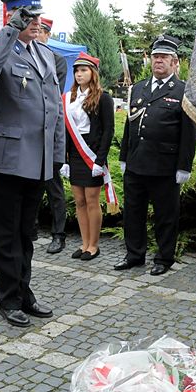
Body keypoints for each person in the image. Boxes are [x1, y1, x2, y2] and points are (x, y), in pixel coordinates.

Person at [0, 0, 64, 328]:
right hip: (5, 161)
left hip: (37, 161)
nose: (35, 22)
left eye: (37, 16)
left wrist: (56, 155)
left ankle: (24, 292)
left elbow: (54, 108)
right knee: (5, 235)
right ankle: (9, 298)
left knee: (27, 234)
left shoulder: (44, 53)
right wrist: (11, 29)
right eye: (27, 16)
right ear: (12, 16)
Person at [116, 35, 196, 276]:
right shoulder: (138, 88)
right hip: (136, 162)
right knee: (133, 212)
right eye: (155, 57)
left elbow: (188, 133)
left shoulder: (183, 91)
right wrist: (124, 156)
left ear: (174, 62)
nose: (158, 61)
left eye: (164, 57)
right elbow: (130, 126)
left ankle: (164, 258)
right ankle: (134, 254)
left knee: (165, 216)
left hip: (165, 165)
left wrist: (184, 166)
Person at [59, 52, 114, 261]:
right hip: (75, 154)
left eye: (83, 70)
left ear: (93, 73)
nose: (79, 74)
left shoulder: (103, 97)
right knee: (79, 201)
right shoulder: (69, 98)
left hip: (92, 156)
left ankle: (93, 245)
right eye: (76, 71)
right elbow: (66, 130)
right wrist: (64, 160)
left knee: (92, 201)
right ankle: (84, 243)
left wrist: (100, 160)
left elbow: (108, 131)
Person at [37, 17, 68, 254]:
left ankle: (59, 234)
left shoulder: (56, 60)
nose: (37, 34)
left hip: (48, 135)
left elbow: (52, 95)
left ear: (48, 35)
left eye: (42, 31)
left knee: (53, 187)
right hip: (28, 138)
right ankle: (30, 228)